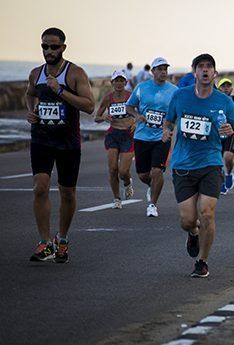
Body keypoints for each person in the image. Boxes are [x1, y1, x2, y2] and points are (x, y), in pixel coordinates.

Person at [163, 53, 234, 277]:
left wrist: (232, 130)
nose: (205, 70)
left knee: (207, 213)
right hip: (183, 164)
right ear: (194, 72)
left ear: (215, 73)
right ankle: (193, 233)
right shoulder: (180, 96)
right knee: (187, 220)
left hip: (210, 163)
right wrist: (167, 130)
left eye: (209, 67)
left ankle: (202, 261)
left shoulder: (224, 101)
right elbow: (169, 120)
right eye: (201, 67)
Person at [26, 27, 95, 262]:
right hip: (42, 138)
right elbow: (29, 94)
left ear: (63, 47)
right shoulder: (36, 73)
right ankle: (45, 243)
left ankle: (62, 238)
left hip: (68, 142)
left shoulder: (75, 73)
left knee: (67, 193)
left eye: (54, 46)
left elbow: (89, 106)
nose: (49, 51)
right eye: (45, 46)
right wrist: (31, 111)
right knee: (40, 187)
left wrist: (61, 90)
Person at [126, 57, 178, 217]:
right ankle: (152, 186)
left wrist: (171, 127)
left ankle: (152, 205)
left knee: (157, 171)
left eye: (165, 69)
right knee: (143, 175)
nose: (163, 72)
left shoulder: (174, 91)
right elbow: (129, 106)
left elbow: (178, 111)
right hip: (142, 136)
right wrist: (137, 115)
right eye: (160, 69)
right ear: (153, 71)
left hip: (162, 137)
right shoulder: (142, 87)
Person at [94, 70, 135, 209]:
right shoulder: (108, 98)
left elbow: (141, 113)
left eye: (121, 80)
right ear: (112, 83)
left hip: (128, 136)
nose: (119, 83)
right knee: (112, 169)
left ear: (125, 82)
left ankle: (127, 182)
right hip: (113, 135)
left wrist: (136, 123)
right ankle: (117, 199)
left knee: (123, 171)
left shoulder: (131, 97)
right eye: (116, 81)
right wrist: (104, 117)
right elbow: (96, 117)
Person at [217, 78, 234, 194]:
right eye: (223, 86)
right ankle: (221, 182)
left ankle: (229, 173)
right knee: (217, 160)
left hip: (230, 133)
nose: (226, 88)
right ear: (218, 88)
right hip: (217, 133)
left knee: (228, 157)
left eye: (228, 86)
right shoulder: (214, 100)